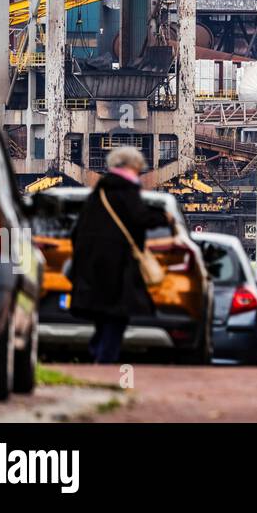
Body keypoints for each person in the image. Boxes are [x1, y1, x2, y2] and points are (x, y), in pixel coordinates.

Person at [69, 146, 170, 364]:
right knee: (118, 315)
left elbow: (77, 231)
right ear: (132, 167)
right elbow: (139, 217)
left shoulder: (99, 192)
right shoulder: (126, 190)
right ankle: (104, 361)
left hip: (92, 264)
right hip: (119, 265)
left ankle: (97, 351)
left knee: (102, 313)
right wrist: (164, 218)